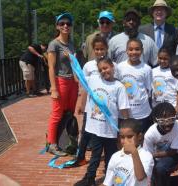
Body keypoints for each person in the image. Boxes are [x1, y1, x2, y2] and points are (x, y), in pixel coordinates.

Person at [74, 57, 130, 186]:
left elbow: (123, 109)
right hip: (95, 128)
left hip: (110, 130)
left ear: (112, 67)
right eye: (100, 70)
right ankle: (89, 178)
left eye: (106, 68)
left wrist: (125, 129)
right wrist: (72, 60)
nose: (104, 71)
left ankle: (110, 179)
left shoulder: (119, 87)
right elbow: (79, 77)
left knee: (111, 156)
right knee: (95, 155)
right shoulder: (93, 80)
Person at [74, 34, 109, 166]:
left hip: (105, 106)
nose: (99, 52)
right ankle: (80, 156)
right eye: (97, 49)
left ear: (106, 49)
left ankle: (107, 158)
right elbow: (84, 87)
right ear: (93, 50)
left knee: (104, 132)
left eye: (102, 49)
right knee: (86, 131)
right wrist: (81, 105)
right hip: (90, 106)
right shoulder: (88, 66)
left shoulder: (111, 64)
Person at [46, 13, 78, 156]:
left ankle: (65, 141)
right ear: (57, 26)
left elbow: (74, 65)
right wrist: (53, 88)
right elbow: (51, 67)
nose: (65, 26)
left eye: (68, 23)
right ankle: (52, 144)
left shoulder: (71, 44)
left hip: (72, 82)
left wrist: (77, 81)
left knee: (69, 113)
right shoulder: (54, 44)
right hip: (61, 82)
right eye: (62, 23)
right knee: (57, 113)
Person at [143, 102, 178, 186]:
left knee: (160, 168)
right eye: (162, 121)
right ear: (155, 120)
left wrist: (153, 155)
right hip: (156, 157)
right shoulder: (149, 134)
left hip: (175, 154)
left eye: (171, 120)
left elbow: (173, 151)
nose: (167, 125)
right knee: (151, 171)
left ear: (175, 117)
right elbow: (147, 156)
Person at [102, 118, 154, 186]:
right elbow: (107, 183)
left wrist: (134, 152)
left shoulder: (146, 156)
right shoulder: (115, 156)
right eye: (122, 137)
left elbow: (140, 177)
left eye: (130, 137)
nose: (125, 141)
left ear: (139, 136)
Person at [116, 38, 152, 133]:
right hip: (123, 113)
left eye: (137, 49)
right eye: (131, 49)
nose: (134, 52)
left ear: (142, 50)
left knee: (140, 138)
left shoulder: (147, 69)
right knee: (124, 139)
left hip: (141, 113)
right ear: (126, 51)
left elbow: (148, 90)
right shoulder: (120, 67)